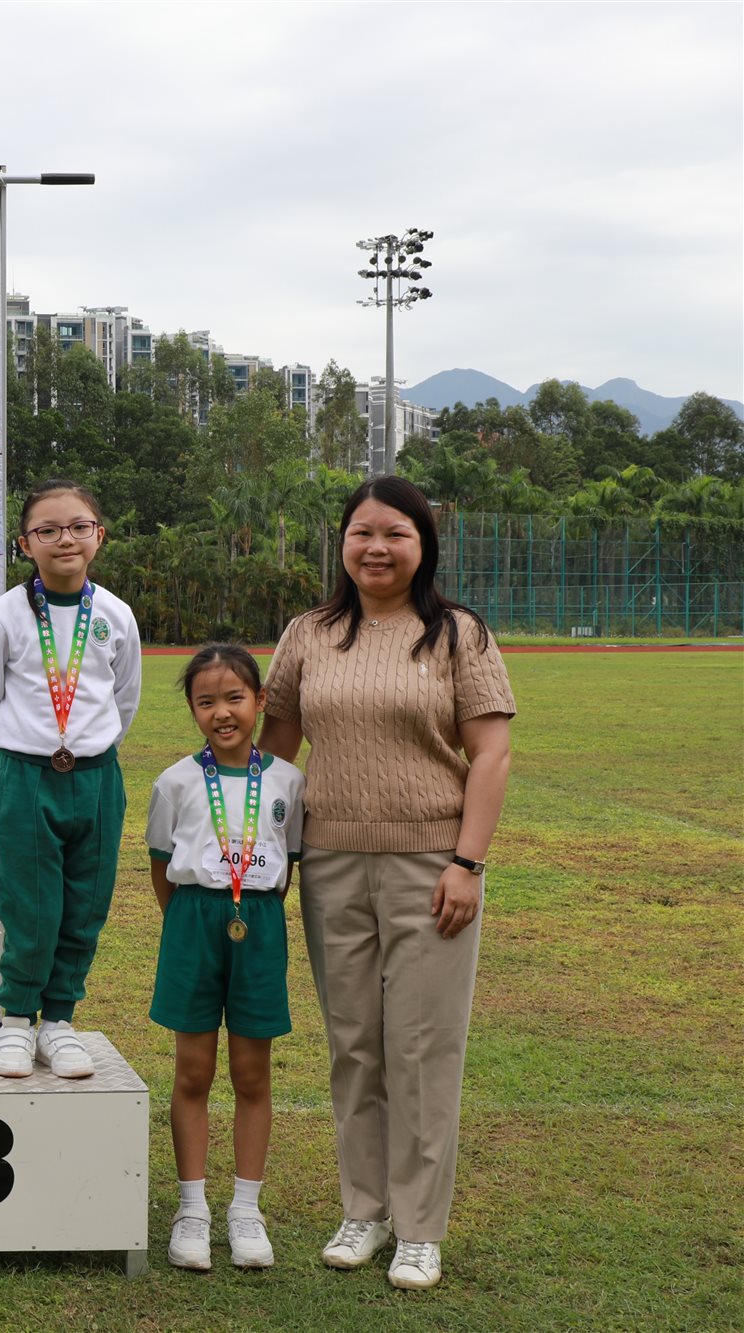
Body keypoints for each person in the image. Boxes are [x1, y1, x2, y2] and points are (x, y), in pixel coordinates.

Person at [258, 476, 515, 1292]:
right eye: (362, 532)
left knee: (422, 1046)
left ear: (423, 544)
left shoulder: (459, 634)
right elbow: (274, 751)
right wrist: (254, 854)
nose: (377, 547)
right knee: (355, 1044)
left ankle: (420, 1228)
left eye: (395, 533)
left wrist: (467, 863)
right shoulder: (308, 633)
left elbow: (491, 754)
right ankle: (363, 1211)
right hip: (329, 863)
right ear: (342, 542)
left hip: (432, 868)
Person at [0, 479, 142, 1079]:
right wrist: (22, 751)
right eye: (48, 530)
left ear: (99, 535)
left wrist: (89, 746)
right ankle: (17, 1022)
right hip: (26, 776)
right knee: (28, 904)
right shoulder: (4, 616)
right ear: (25, 544)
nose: (65, 539)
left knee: (85, 905)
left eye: (78, 527)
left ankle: (59, 1023)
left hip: (96, 778)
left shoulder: (115, 615)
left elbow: (124, 697)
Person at [146, 644, 305, 1271]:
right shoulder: (175, 782)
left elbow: (289, 864)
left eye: (235, 698)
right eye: (205, 701)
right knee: (192, 1072)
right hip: (193, 923)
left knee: (251, 1073)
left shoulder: (288, 781)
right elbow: (162, 868)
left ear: (260, 702)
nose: (221, 712)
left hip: (258, 925)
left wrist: (247, 911)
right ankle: (192, 1210)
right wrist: (195, 920)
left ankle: (245, 1209)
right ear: (192, 710)